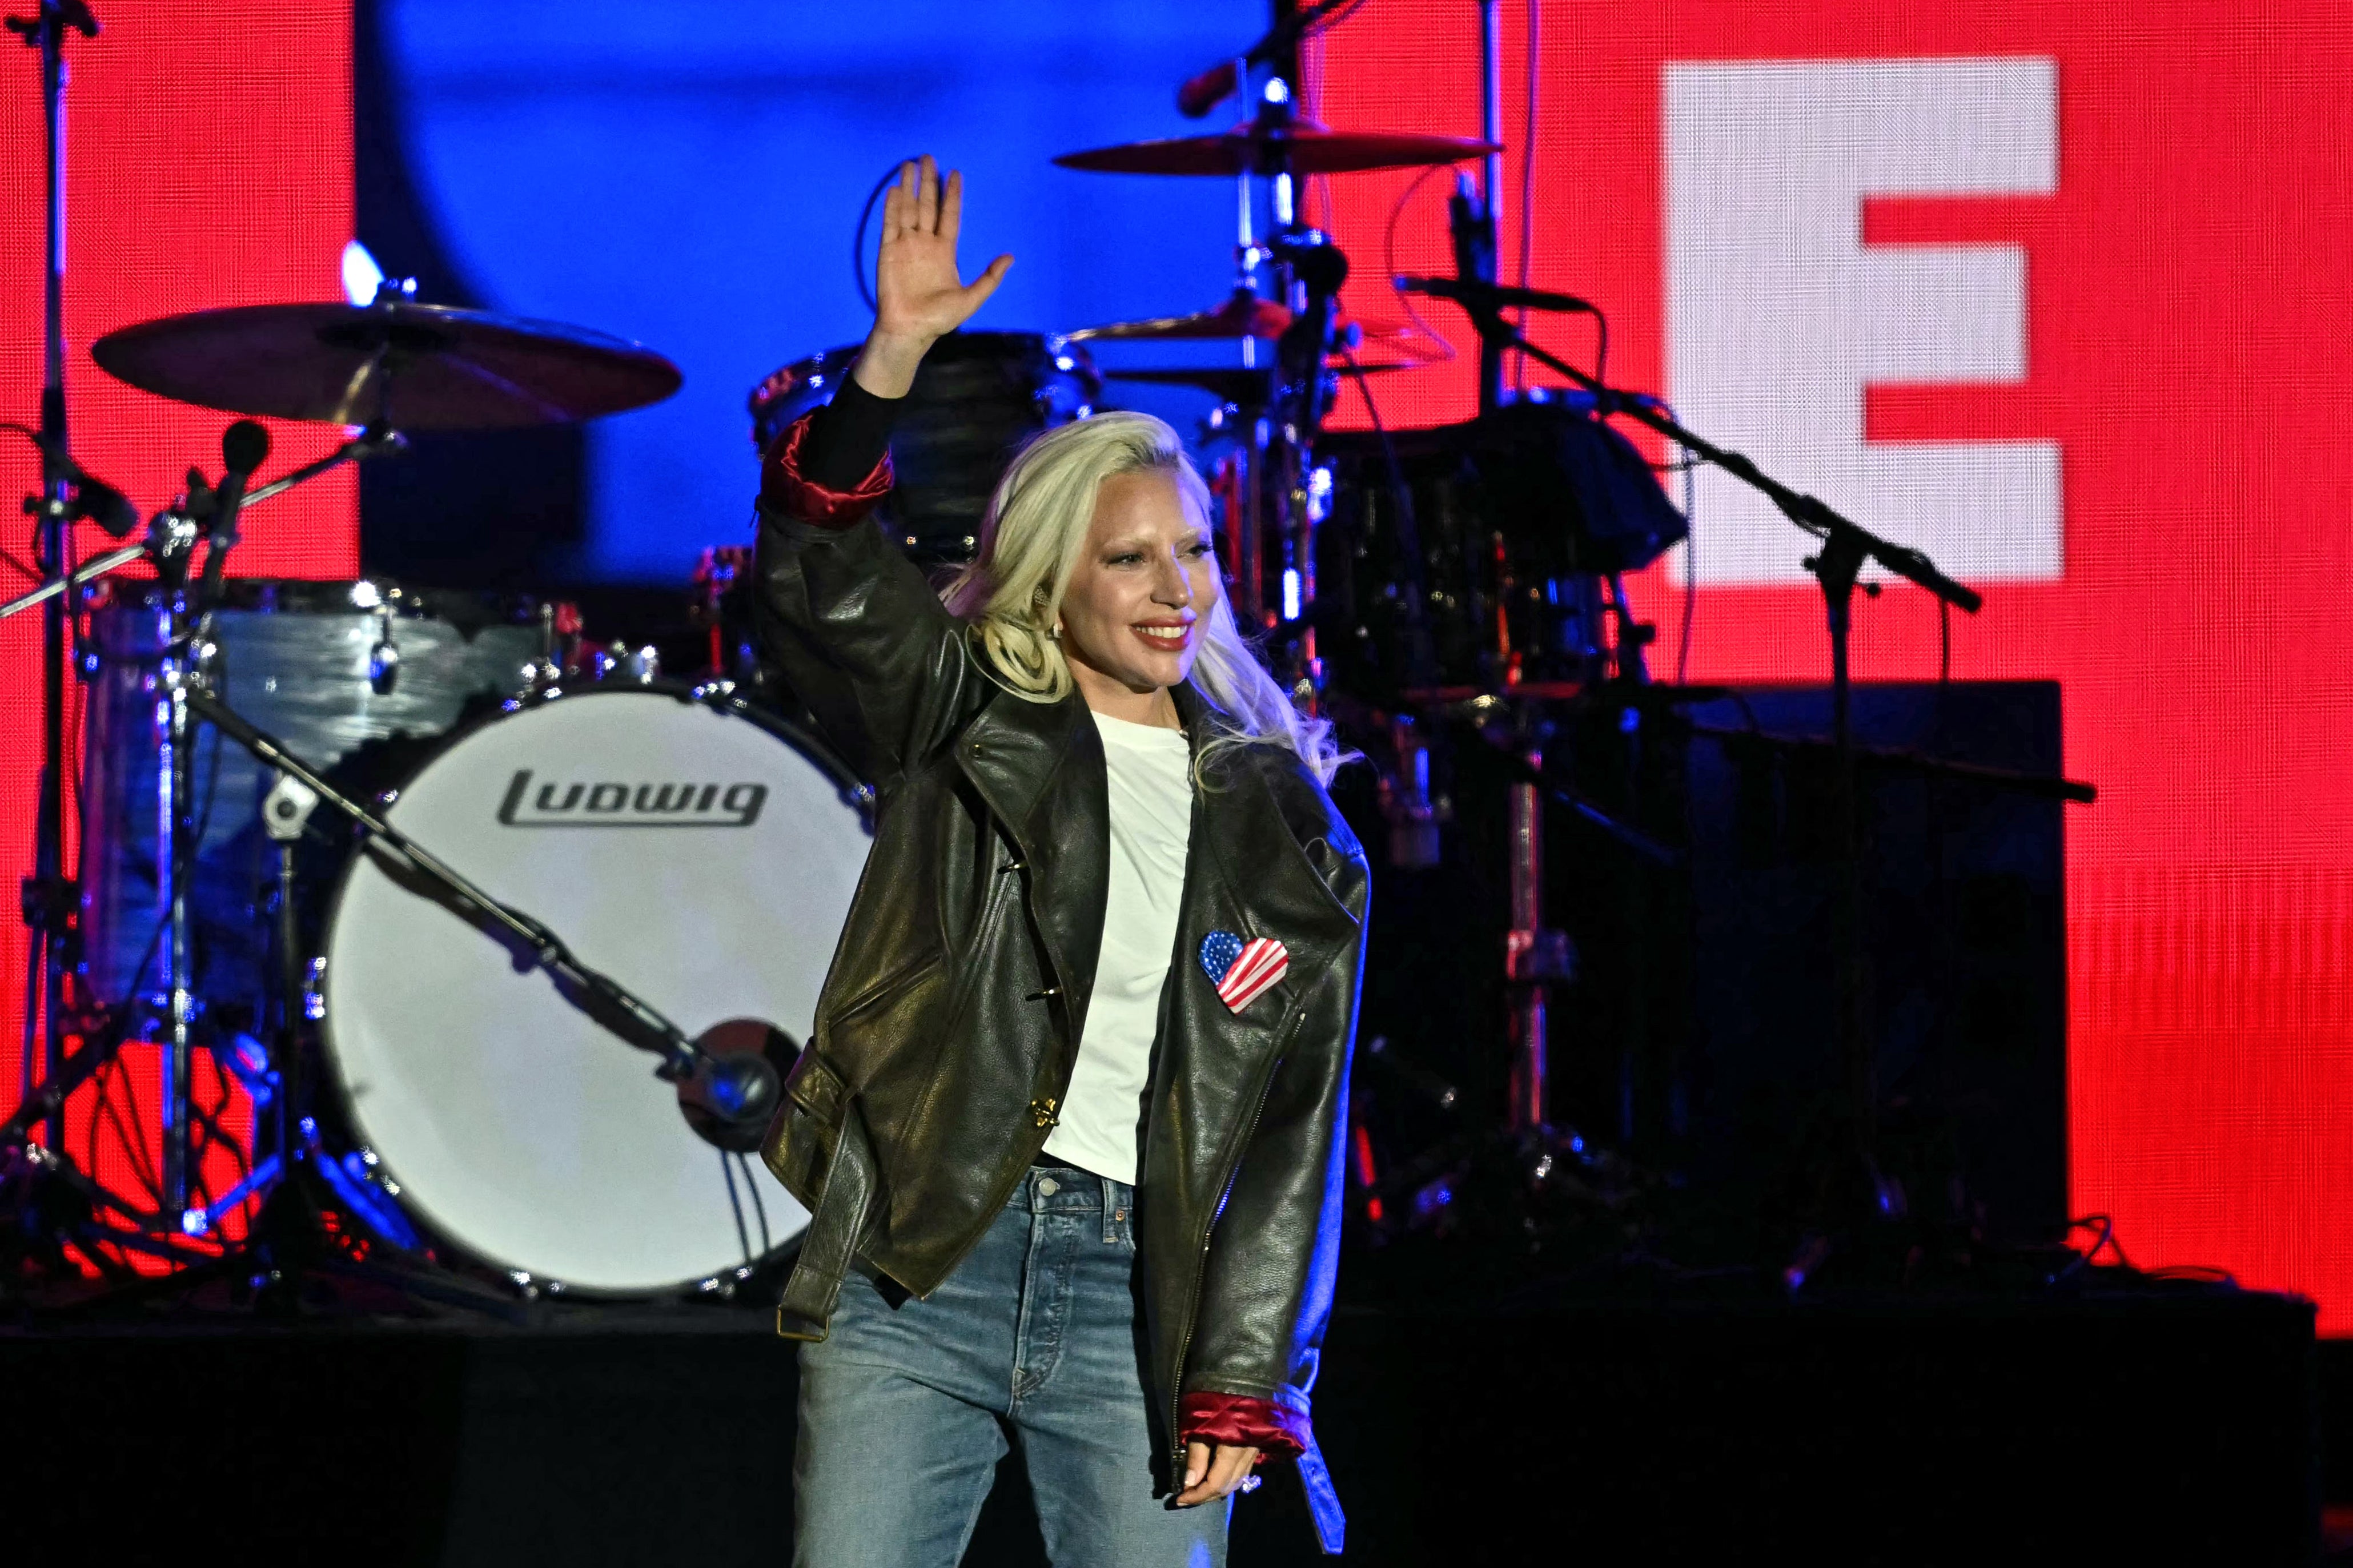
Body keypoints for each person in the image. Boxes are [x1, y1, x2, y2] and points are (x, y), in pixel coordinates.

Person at [754, 155, 1366, 1567]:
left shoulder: (1288, 830)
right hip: (925, 1266)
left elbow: (1294, 1134)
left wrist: (1250, 1368)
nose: (1174, 589)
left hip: (1136, 1306)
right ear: (1048, 577)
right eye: (1129, 559)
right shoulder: (966, 716)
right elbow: (831, 582)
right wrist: (892, 361)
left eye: (1193, 552)